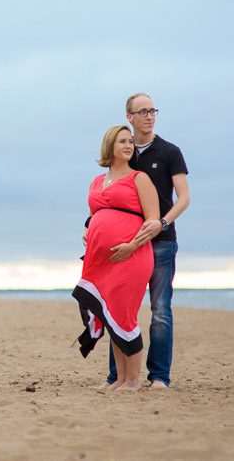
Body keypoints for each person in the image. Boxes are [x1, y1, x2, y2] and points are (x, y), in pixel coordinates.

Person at [104, 92, 190, 390]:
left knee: (160, 311)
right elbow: (109, 197)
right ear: (129, 116)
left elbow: (184, 198)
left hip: (162, 242)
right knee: (119, 310)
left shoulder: (169, 152)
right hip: (126, 245)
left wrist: (162, 222)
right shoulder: (124, 151)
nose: (149, 116)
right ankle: (117, 376)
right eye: (142, 111)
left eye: (152, 110)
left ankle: (159, 377)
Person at [72, 125, 159, 392]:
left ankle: (133, 380)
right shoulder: (96, 181)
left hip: (132, 256)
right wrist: (90, 230)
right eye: (122, 141)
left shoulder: (139, 178)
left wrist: (131, 246)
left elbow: (153, 220)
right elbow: (94, 214)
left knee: (124, 314)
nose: (128, 145)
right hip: (100, 260)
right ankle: (120, 378)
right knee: (110, 315)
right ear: (110, 145)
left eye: (131, 141)